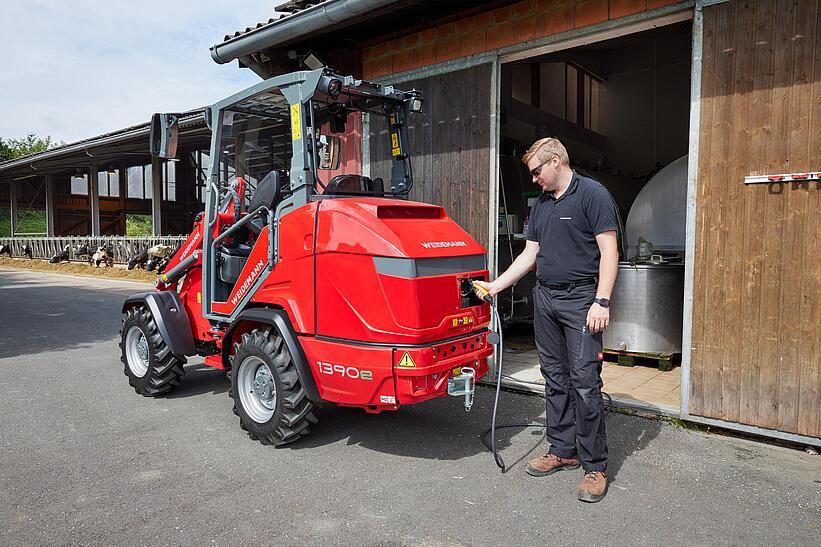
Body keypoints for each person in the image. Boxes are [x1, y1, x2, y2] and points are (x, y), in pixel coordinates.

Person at [476, 137, 618, 503]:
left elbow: (609, 251)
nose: (534, 179)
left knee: (584, 381)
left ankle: (594, 466)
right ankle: (562, 449)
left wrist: (601, 300)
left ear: (556, 162)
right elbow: (529, 255)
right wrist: (495, 287)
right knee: (554, 379)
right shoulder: (541, 205)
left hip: (582, 299)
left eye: (537, 171)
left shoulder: (592, 195)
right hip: (546, 298)